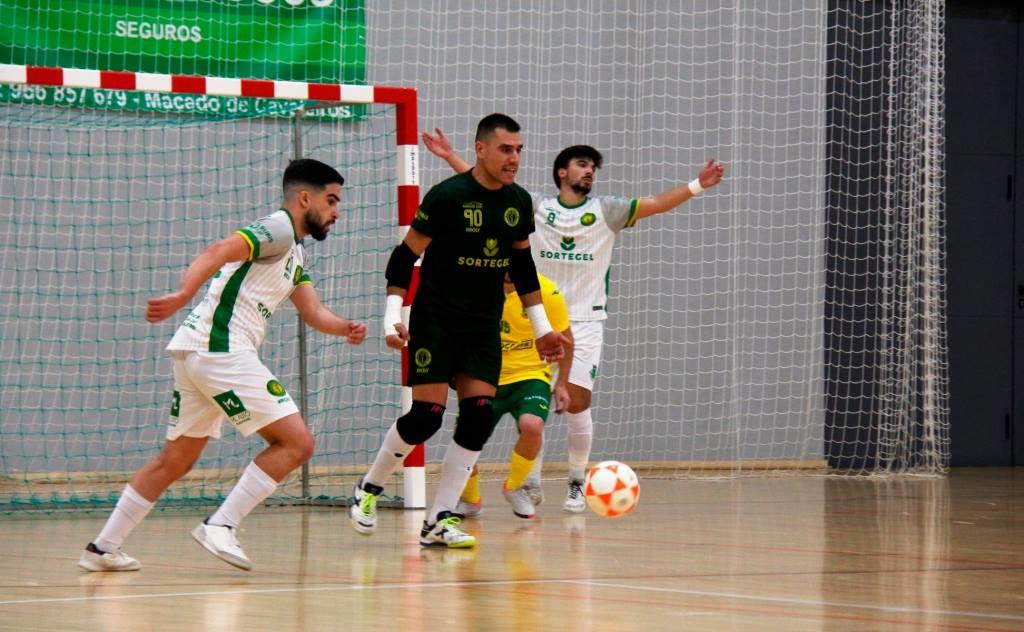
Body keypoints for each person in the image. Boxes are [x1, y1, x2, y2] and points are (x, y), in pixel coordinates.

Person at [77, 158, 367, 572]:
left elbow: (314, 311)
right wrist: (181, 295)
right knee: (297, 443)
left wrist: (346, 328)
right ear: (306, 198)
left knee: (174, 461)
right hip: (222, 350)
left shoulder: (294, 251)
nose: (337, 211)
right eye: (332, 200)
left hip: (198, 354)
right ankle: (221, 524)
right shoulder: (280, 227)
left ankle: (101, 548)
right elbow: (218, 249)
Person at [422, 130, 725, 511]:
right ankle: (527, 482)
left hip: (583, 321)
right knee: (531, 411)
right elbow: (486, 184)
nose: (590, 172)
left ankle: (577, 481)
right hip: (533, 317)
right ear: (562, 172)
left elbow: (657, 203)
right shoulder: (534, 206)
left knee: (577, 402)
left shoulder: (607, 211)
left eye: (593, 168)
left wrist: (699, 184)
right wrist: (451, 156)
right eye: (583, 165)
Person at [348, 113, 568, 549]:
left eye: (519, 150)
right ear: (481, 149)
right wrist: (394, 314)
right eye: (506, 149)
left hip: (483, 323)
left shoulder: (519, 202)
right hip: (436, 319)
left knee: (480, 415)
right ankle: (369, 488)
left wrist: (543, 328)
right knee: (427, 416)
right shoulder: (447, 196)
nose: (515, 158)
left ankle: (439, 519)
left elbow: (523, 269)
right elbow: (402, 258)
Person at [455, 272, 573, 519]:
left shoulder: (545, 290)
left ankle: (514, 487)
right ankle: (471, 499)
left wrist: (561, 384)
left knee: (532, 425)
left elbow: (567, 338)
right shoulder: (477, 286)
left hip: (530, 376)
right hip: (486, 376)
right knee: (465, 440)